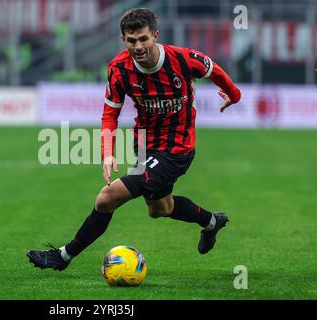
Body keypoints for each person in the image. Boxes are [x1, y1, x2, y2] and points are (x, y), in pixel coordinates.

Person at [27, 8, 241, 271]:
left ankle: (62, 257)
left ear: (155, 36)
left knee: (107, 198)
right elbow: (110, 114)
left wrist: (234, 94)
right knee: (160, 208)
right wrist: (108, 152)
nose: (138, 46)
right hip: (144, 145)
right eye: (131, 40)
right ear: (123, 39)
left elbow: (215, 71)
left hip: (177, 148)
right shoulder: (119, 69)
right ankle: (211, 222)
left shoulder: (183, 59)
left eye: (143, 39)